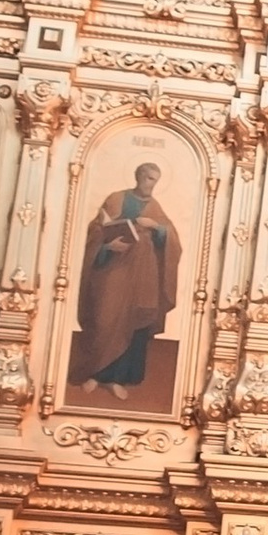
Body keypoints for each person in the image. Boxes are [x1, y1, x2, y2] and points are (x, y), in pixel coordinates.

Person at [72, 162, 179, 395]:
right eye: (149, 178)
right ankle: (95, 374)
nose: (152, 184)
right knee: (103, 317)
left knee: (135, 321)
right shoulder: (115, 199)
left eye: (156, 180)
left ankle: (117, 378)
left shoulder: (154, 206)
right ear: (139, 176)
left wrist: (158, 229)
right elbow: (97, 231)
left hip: (142, 276)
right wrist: (107, 246)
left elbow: (172, 240)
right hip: (111, 271)